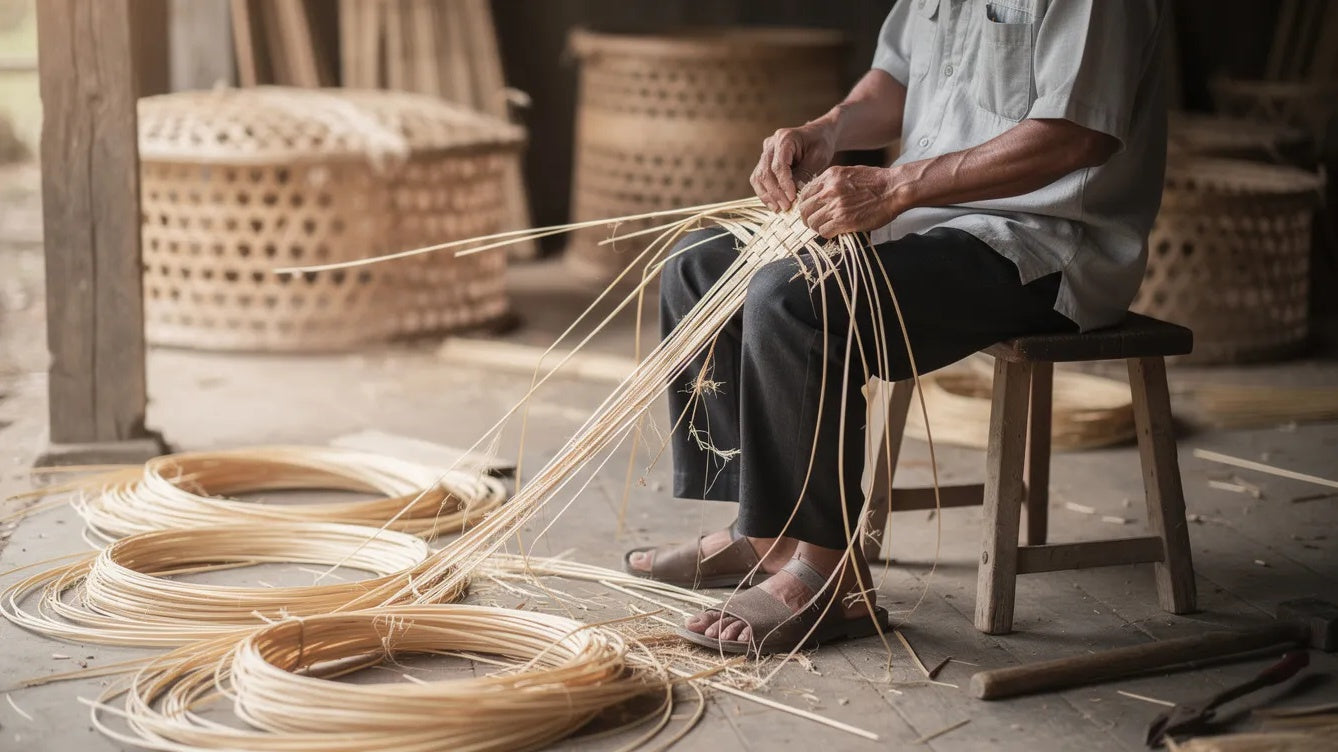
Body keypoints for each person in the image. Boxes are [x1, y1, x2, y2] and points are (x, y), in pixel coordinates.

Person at [625, 0, 1170, 655]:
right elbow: (896, 79)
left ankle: (829, 577)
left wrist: (899, 184)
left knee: (798, 299)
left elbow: (1079, 135)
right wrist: (826, 130)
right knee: (699, 267)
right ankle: (767, 535)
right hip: (919, 217)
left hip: (1041, 242)